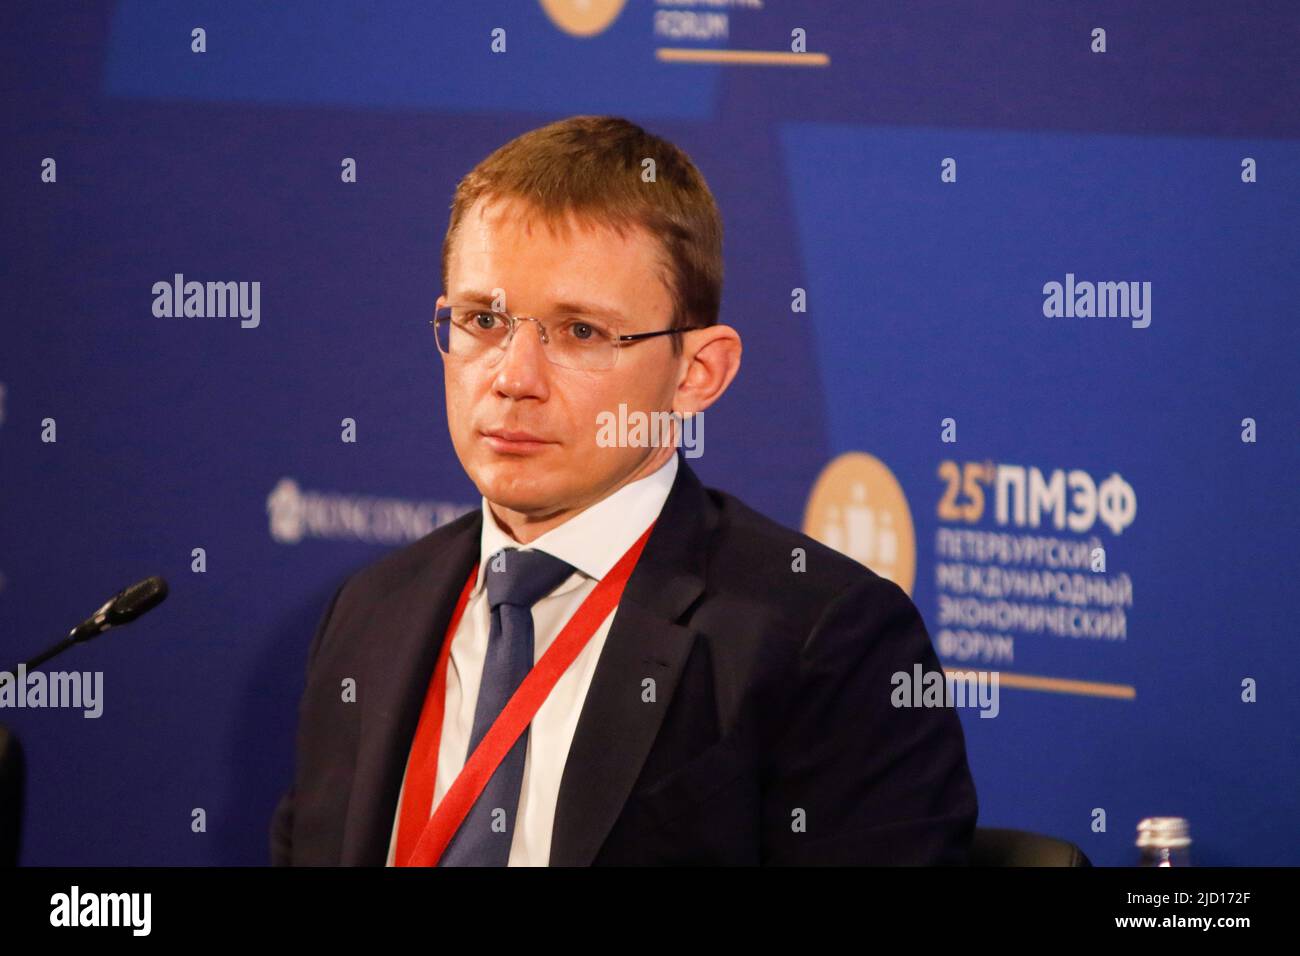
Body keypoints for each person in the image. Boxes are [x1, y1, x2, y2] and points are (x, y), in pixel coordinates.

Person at [271, 115, 978, 866]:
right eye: (482, 320)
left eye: (580, 333)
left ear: (697, 373)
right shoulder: (370, 614)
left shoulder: (824, 644)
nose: (513, 379)